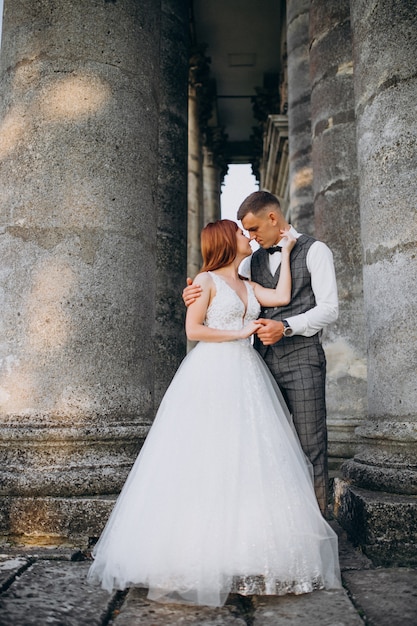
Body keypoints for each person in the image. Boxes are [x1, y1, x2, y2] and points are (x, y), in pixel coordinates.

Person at [88, 219, 341, 608]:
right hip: (212, 370)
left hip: (247, 371)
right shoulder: (205, 282)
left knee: (251, 454)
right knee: (206, 451)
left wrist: (288, 253)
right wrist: (238, 334)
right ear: (226, 241)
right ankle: (194, 548)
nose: (248, 237)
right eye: (241, 233)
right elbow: (194, 330)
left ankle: (249, 547)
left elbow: (284, 293)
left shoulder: (246, 281)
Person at [183, 192, 338, 516]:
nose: (251, 238)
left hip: (302, 359)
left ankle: (319, 526)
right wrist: (192, 294)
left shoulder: (315, 251)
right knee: (267, 447)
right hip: (259, 365)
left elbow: (329, 308)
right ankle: (274, 519)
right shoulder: (249, 264)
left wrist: (287, 327)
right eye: (244, 232)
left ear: (272, 218)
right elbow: (223, 291)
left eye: (252, 230)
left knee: (311, 447)